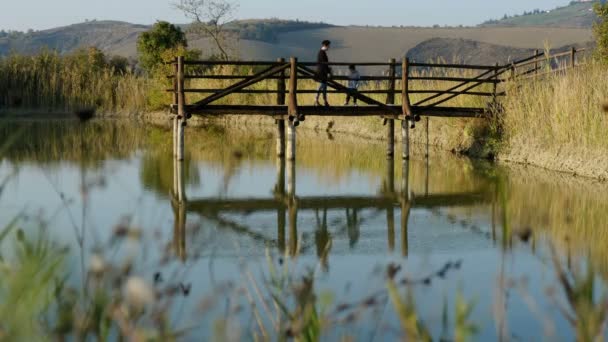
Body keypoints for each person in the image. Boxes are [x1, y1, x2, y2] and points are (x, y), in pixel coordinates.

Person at [315, 40, 332, 107]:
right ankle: (316, 100)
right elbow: (324, 64)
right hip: (322, 73)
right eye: (329, 45)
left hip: (322, 72)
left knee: (324, 87)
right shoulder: (322, 53)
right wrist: (328, 72)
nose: (329, 47)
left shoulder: (321, 52)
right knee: (322, 86)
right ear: (326, 45)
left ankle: (324, 101)